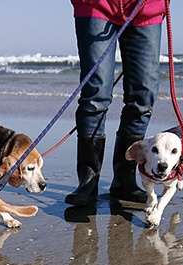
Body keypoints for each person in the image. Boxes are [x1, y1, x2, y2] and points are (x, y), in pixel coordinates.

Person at [65, 0, 166, 207]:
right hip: (96, 5)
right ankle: (88, 182)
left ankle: (125, 181)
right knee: (95, 95)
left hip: (146, 7)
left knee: (143, 96)